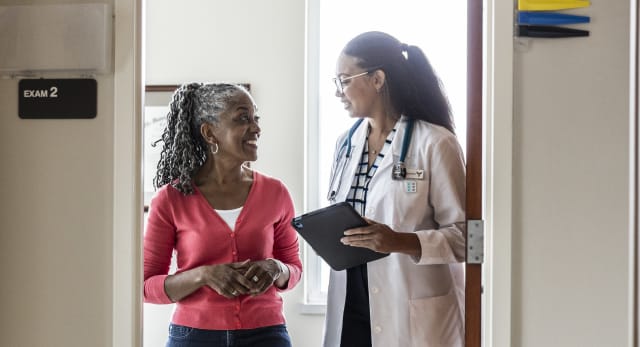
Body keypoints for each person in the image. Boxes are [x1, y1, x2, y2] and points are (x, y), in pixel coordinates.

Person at [323, 31, 466, 347]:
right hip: (352, 304)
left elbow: (471, 240)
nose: (338, 92)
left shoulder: (435, 143)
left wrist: (401, 241)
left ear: (377, 79)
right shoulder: (345, 145)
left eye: (344, 81)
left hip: (409, 310)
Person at [143, 83, 302, 347]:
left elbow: (294, 268)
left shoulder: (276, 193)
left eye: (255, 118)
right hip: (193, 336)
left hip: (266, 334)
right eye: (242, 118)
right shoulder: (170, 199)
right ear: (209, 133)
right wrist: (203, 275)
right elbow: (147, 287)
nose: (256, 128)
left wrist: (276, 268)